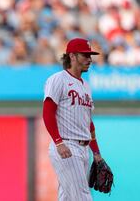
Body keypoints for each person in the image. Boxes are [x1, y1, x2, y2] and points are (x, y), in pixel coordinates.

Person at [42, 38, 106, 200]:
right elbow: (48, 112)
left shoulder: (86, 85)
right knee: (82, 196)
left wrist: (96, 152)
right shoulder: (58, 79)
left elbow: (88, 123)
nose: (89, 59)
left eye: (90, 55)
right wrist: (58, 142)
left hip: (83, 149)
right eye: (85, 55)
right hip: (67, 146)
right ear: (72, 56)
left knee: (67, 197)